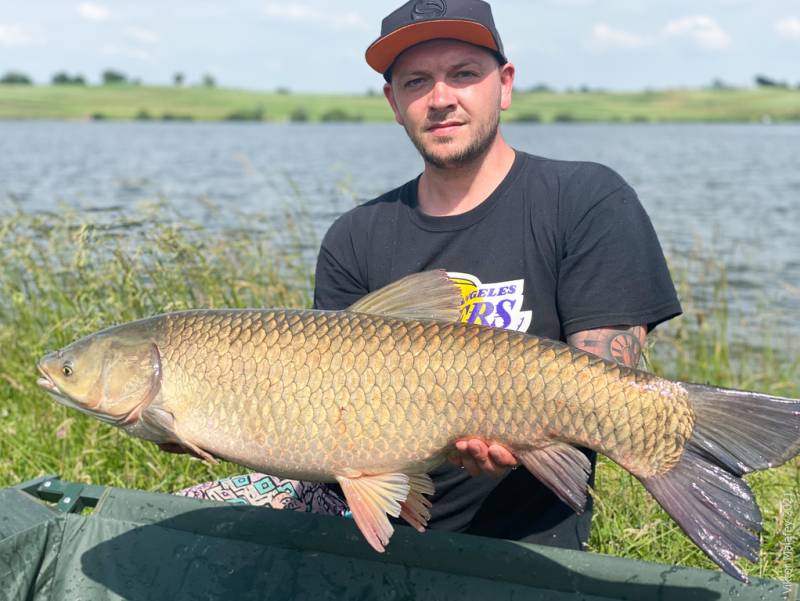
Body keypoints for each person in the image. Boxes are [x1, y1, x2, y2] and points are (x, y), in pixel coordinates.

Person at [178, 0, 682, 552]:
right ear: (395, 102)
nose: (441, 98)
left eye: (463, 74)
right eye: (417, 81)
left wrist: (531, 429)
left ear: (504, 84)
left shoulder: (586, 200)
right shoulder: (355, 236)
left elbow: (608, 376)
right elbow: (329, 414)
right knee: (178, 528)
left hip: (522, 535)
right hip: (373, 509)